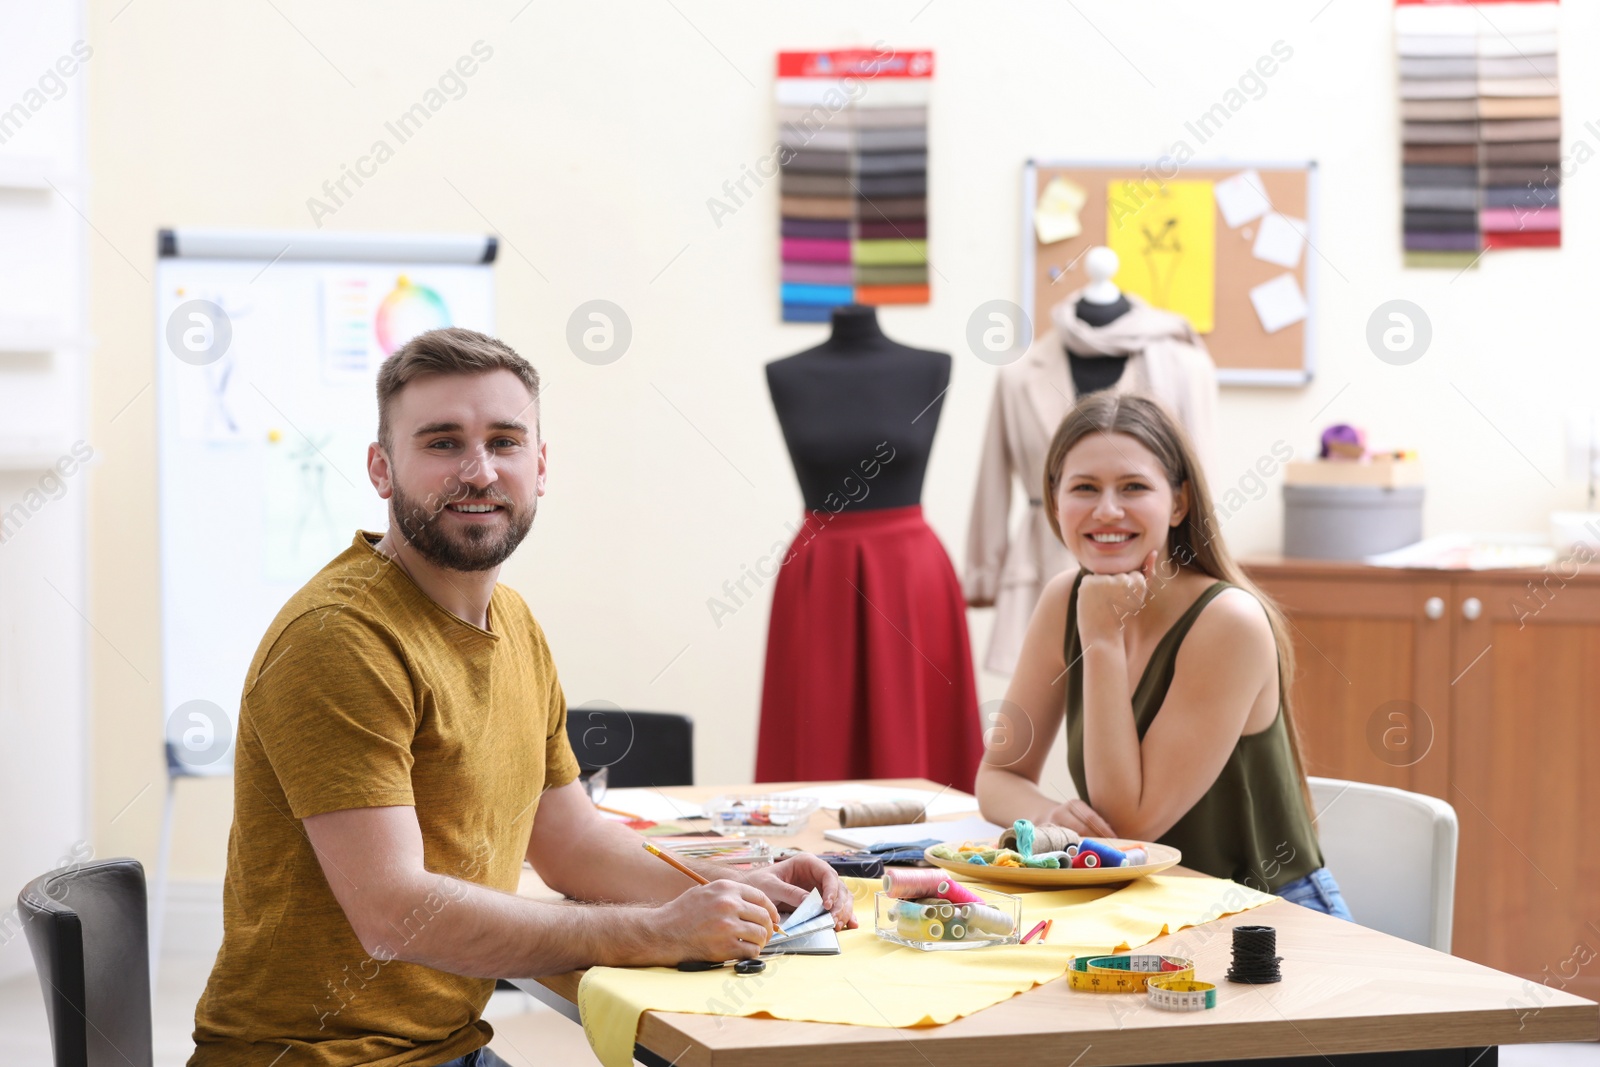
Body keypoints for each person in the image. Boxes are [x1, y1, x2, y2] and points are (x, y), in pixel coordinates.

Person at [190, 328, 855, 1067]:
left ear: (539, 467)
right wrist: (661, 929)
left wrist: (741, 884)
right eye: (442, 443)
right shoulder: (340, 638)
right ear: (382, 469)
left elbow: (574, 843)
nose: (478, 471)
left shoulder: (515, 623)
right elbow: (395, 914)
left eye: (505, 441)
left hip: (442, 1048)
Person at [974, 393, 1351, 919]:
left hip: (1265, 916)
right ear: (1055, 501)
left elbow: (1127, 825)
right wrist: (1050, 816)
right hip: (1147, 909)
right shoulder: (1064, 598)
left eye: (1133, 487)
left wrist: (1102, 642)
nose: (1107, 510)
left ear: (1178, 503)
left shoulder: (1229, 622)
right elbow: (996, 777)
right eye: (1084, 488)